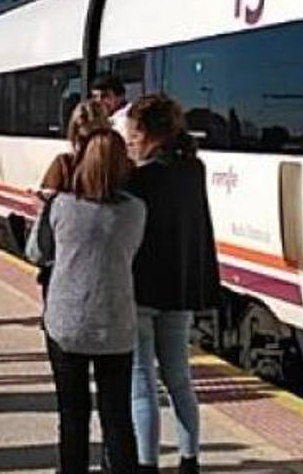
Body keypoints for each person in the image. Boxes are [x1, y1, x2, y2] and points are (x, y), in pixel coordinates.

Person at [125, 94, 223, 474]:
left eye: (133, 133)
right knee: (180, 379)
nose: (130, 140)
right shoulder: (193, 169)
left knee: (142, 383)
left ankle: (147, 464)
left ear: (149, 133)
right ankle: (189, 459)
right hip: (179, 288)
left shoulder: (139, 178)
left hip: (140, 289)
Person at [43, 129, 145, 474]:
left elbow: (36, 251)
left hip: (66, 324)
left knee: (72, 417)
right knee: (117, 416)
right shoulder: (136, 211)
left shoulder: (61, 206)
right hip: (116, 324)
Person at [35, 99, 110, 298]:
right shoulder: (121, 169)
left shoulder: (63, 165)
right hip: (108, 268)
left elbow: (44, 215)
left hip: (64, 266)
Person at [90, 73, 130, 137]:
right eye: (95, 96)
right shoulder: (102, 119)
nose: (99, 101)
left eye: (104, 96)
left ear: (120, 96)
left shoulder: (128, 118)